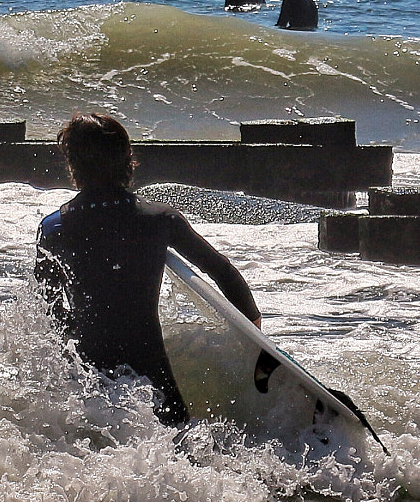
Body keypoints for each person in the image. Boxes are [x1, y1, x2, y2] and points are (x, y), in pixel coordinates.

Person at [34, 112, 262, 426]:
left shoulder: (54, 228)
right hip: (153, 378)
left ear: (73, 166)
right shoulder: (159, 219)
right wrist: (254, 334)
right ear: (128, 161)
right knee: (177, 451)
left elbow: (49, 309)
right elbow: (224, 272)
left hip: (86, 380)